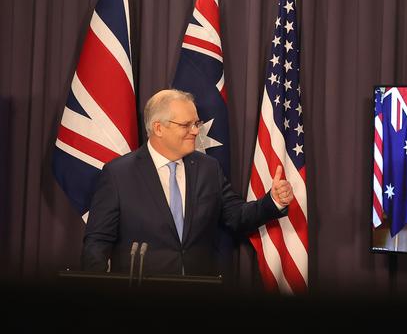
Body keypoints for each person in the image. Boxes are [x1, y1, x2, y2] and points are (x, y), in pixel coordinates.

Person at [81, 89, 294, 277]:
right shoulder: (119, 174)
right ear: (158, 128)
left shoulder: (208, 169)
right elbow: (97, 242)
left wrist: (273, 201)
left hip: (199, 290)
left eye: (196, 123)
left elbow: (236, 216)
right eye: (186, 125)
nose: (195, 131)